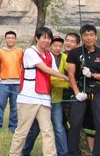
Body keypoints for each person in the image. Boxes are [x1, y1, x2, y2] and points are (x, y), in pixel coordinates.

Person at [8, 27, 69, 156]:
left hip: (44, 98)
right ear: (37, 38)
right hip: (28, 97)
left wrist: (70, 79)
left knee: (48, 131)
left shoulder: (49, 55)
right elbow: (45, 69)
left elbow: (54, 73)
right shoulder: (30, 52)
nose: (46, 41)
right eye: (44, 38)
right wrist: (65, 77)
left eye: (48, 38)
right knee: (22, 131)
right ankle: (14, 154)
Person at [67, 24, 100, 156]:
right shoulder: (75, 53)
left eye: (91, 35)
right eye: (85, 35)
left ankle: (97, 153)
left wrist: (92, 75)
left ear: (96, 37)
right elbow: (71, 74)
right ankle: (72, 153)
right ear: (81, 37)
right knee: (75, 124)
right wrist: (76, 93)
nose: (88, 38)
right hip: (81, 90)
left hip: (97, 90)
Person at [0, 30, 23, 133]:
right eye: (8, 38)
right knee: (0, 105)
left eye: (12, 38)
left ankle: (13, 127)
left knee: (15, 107)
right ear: (5, 39)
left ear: (15, 39)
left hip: (17, 82)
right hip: (4, 82)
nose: (10, 40)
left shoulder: (21, 51)